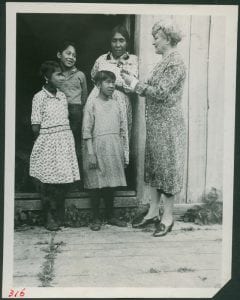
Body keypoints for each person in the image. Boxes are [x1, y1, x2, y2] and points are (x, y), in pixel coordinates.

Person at [121, 18, 187, 237]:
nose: (153, 43)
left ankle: (167, 218)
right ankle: (152, 213)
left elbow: (160, 92)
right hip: (157, 124)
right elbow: (152, 88)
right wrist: (134, 81)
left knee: (167, 170)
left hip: (168, 126)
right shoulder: (164, 60)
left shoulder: (175, 62)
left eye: (156, 38)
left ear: (168, 38)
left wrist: (135, 85)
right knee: (155, 167)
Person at [29, 61, 80, 231]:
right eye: (58, 74)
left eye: (62, 73)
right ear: (47, 77)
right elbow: (35, 125)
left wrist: (64, 138)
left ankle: (60, 214)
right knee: (48, 181)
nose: (62, 76)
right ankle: (49, 216)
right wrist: (44, 142)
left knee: (63, 179)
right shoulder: (39, 97)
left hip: (64, 141)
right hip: (48, 142)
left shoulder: (62, 96)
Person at [82, 70, 129, 231]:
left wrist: (122, 150)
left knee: (111, 183)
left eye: (113, 82)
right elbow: (86, 130)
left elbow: (123, 129)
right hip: (96, 146)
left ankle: (110, 215)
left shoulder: (116, 103)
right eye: (107, 82)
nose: (111, 85)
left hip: (113, 146)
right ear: (98, 85)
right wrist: (90, 153)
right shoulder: (92, 103)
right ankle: (95, 218)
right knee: (96, 184)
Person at [89, 25, 138, 146]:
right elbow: (93, 77)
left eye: (121, 40)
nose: (117, 45)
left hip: (119, 104)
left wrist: (111, 84)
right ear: (110, 42)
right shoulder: (101, 59)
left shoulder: (132, 60)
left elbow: (131, 85)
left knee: (117, 138)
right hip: (99, 102)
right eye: (114, 41)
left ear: (127, 42)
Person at [57, 41, 88, 188]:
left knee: (75, 145)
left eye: (74, 55)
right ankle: (62, 179)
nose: (71, 57)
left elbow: (85, 98)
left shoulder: (80, 75)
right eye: (68, 53)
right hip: (60, 112)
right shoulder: (56, 75)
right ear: (59, 55)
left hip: (76, 112)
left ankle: (76, 182)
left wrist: (81, 111)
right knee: (61, 145)